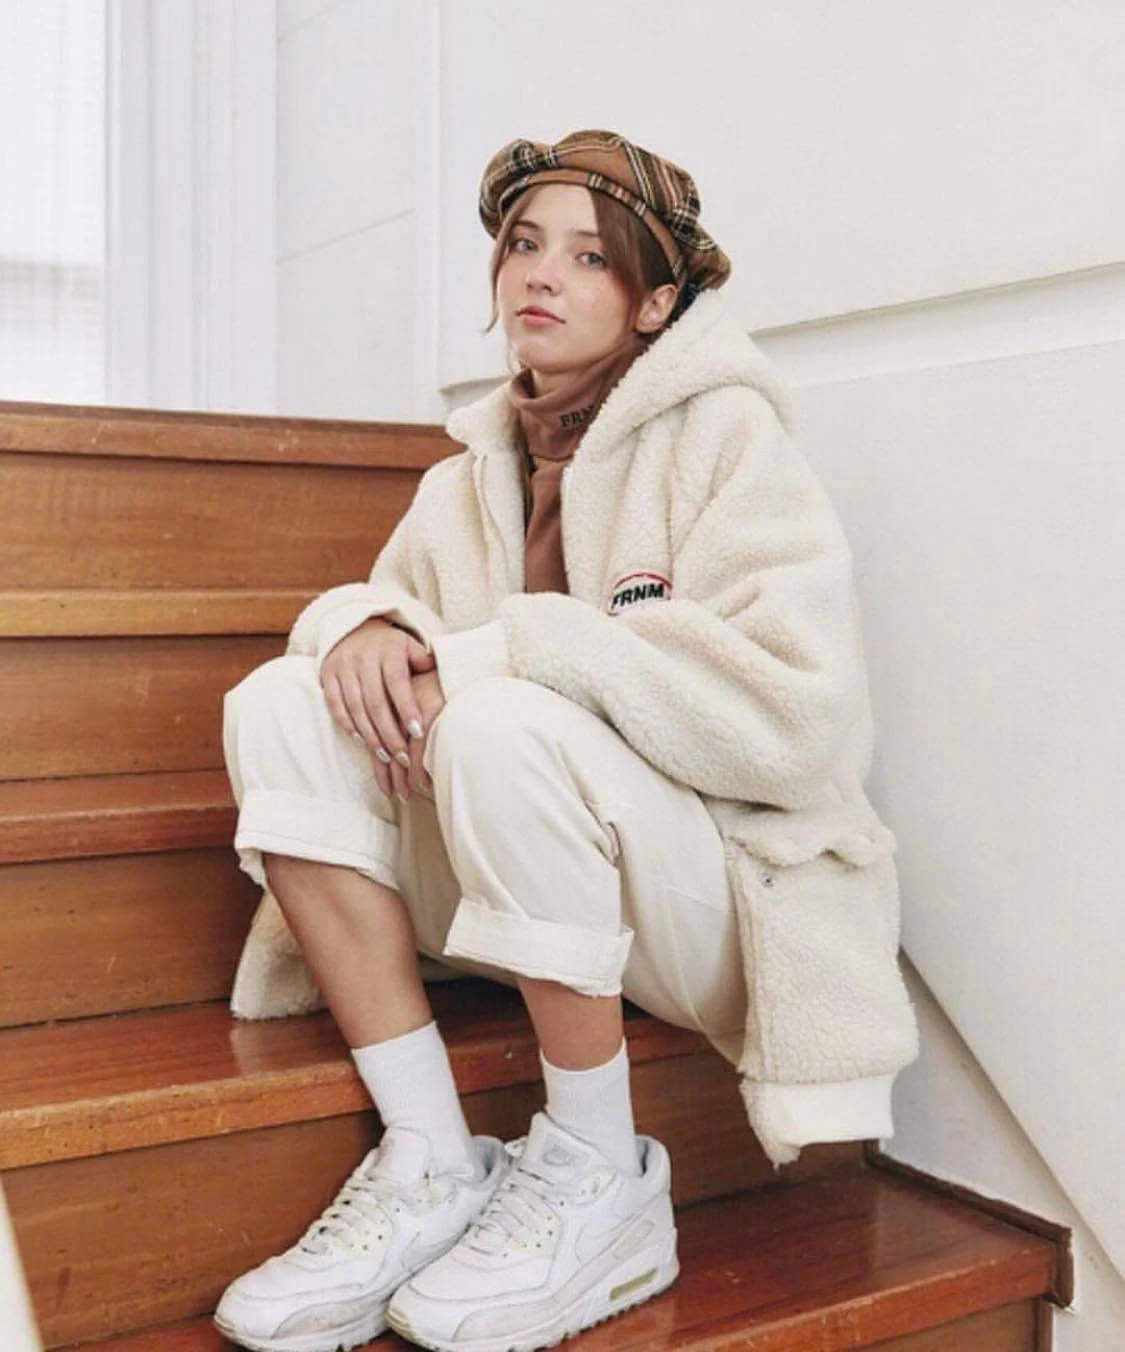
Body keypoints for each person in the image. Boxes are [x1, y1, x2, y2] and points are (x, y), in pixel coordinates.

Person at [214, 129, 918, 1352]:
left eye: (590, 257)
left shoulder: (727, 440)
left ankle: (601, 1173)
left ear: (654, 303)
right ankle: (430, 1156)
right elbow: (403, 629)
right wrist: (363, 626)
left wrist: (515, 651)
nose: (540, 273)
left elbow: (798, 717)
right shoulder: (463, 478)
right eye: (523, 246)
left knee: (499, 714)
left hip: (725, 894)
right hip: (536, 872)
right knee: (279, 699)